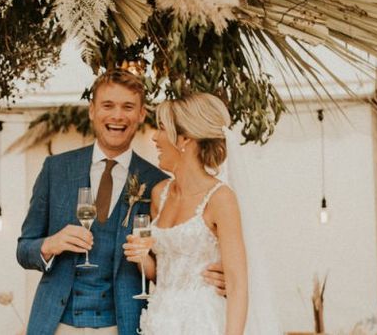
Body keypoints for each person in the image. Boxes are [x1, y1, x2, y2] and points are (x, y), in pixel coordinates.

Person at [17, 70, 226, 335]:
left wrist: (215, 279)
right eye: (108, 105)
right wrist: (49, 245)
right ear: (92, 110)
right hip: (55, 324)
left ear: (141, 115)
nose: (117, 116)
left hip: (123, 325)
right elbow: (24, 249)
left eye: (128, 107)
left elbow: (177, 257)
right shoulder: (55, 169)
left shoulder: (158, 183)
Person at [123, 92, 249, 335]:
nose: (155, 138)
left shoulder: (221, 199)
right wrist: (142, 258)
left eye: (161, 129)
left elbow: (238, 285)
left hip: (202, 322)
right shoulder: (159, 194)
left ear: (184, 139)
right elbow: (161, 272)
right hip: (160, 319)